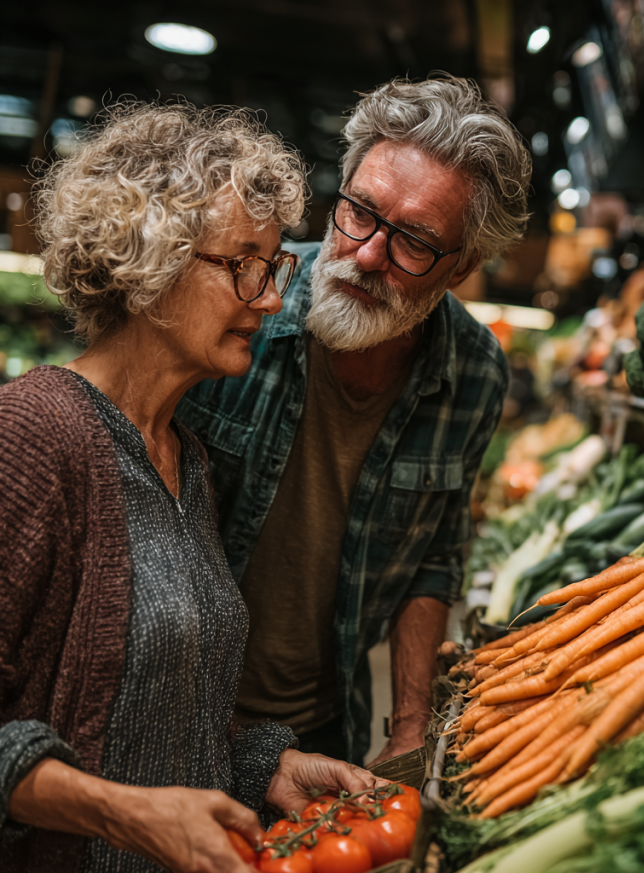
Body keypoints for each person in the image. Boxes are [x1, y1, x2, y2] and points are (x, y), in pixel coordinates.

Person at [0, 103, 381, 873]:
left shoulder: (188, 460)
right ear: (150, 257)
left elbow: (158, 712)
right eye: (242, 262)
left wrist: (261, 767)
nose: (270, 299)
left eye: (273, 267)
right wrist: (127, 814)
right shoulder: (32, 435)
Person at [176, 76, 532, 765]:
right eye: (359, 212)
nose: (367, 254)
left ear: (460, 268)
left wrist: (409, 726)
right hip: (170, 712)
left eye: (413, 243)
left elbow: (435, 554)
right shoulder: (239, 301)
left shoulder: (475, 372)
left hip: (321, 730)